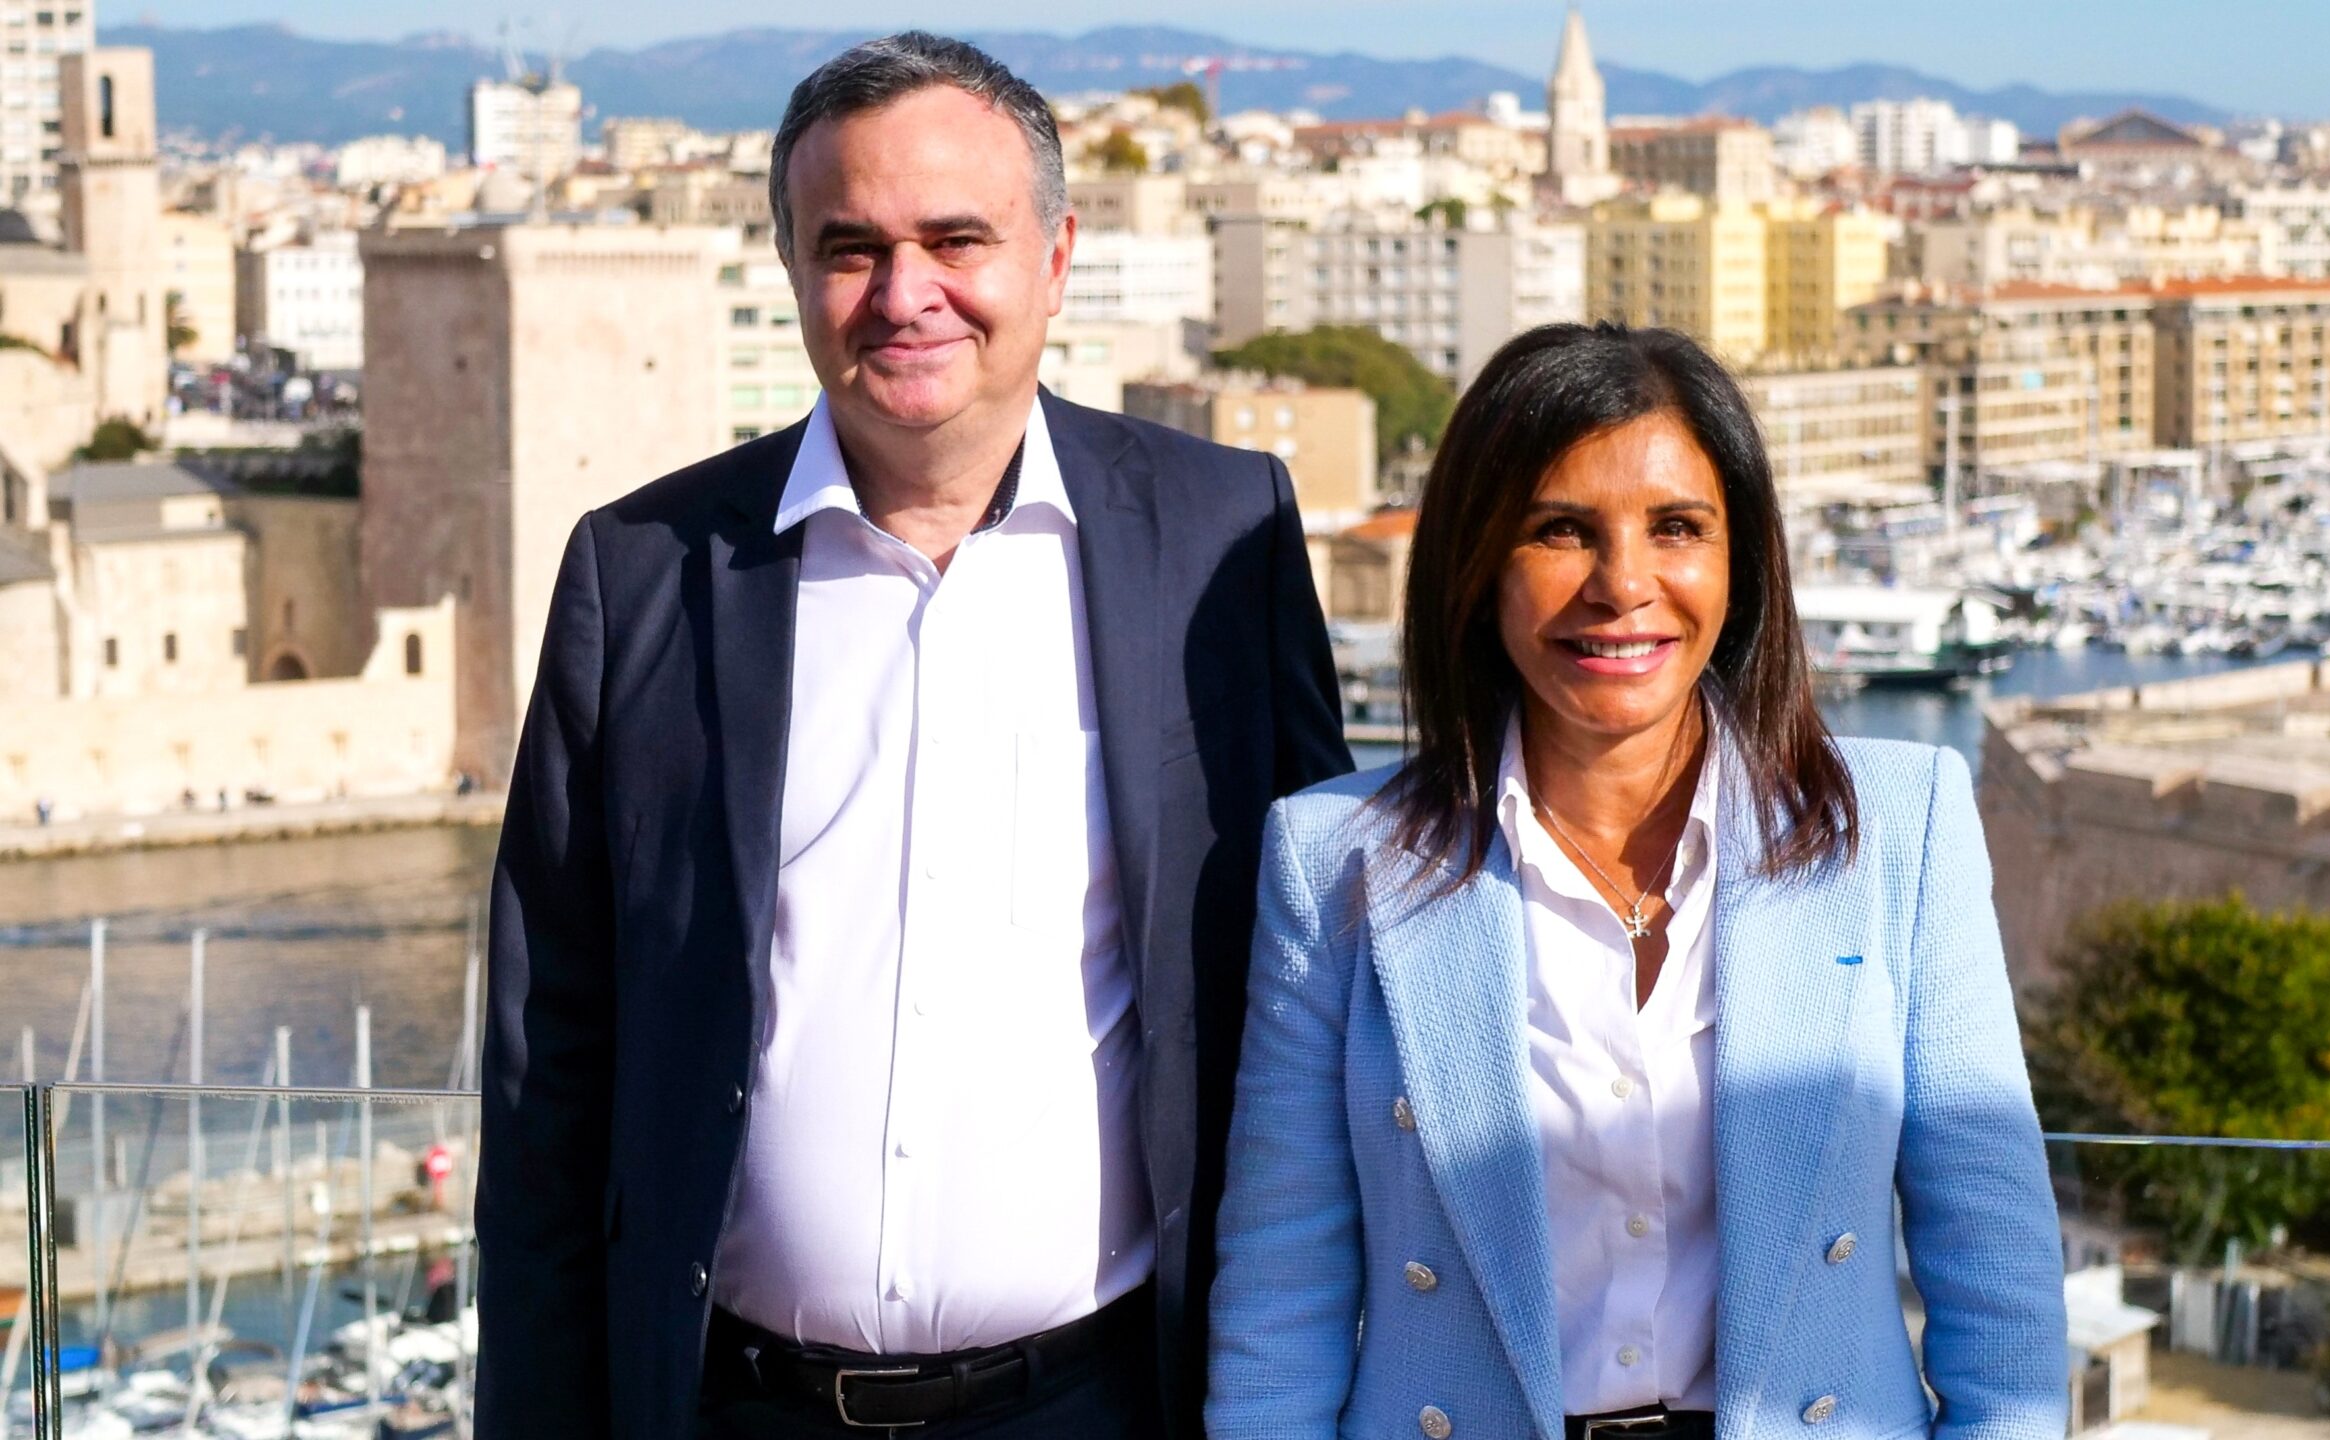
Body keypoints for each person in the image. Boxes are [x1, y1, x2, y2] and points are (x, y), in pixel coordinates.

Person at [477, 32, 1351, 1440]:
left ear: (1057, 257)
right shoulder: (641, 573)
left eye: (957, 239)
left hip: (1109, 1405)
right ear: (791, 272)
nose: (905, 296)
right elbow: (547, 1066)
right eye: (851, 248)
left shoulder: (1222, 539)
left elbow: (1316, 974)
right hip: (730, 1409)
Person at [1208, 324, 2066, 1440]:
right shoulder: (1332, 859)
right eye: (1559, 531)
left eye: (1675, 529)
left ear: (1739, 559)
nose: (1623, 585)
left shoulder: (1900, 828)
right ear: (1477, 568)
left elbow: (1995, 1264)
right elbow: (1283, 1295)